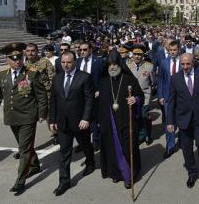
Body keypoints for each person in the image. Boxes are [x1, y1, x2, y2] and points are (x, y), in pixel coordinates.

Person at [0, 43, 47, 195]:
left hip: (28, 116)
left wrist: (42, 113)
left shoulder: (32, 73)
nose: (17, 61)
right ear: (8, 60)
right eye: (13, 58)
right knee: (24, 144)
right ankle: (35, 164)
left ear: (23, 57)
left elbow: (41, 95)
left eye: (19, 57)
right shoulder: (2, 75)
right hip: (12, 116)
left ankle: (20, 181)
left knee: (24, 149)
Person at [167, 53, 199, 188]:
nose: (185, 67)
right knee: (186, 148)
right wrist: (170, 122)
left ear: (193, 63)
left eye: (187, 64)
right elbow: (171, 101)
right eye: (182, 64)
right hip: (183, 119)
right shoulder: (175, 78)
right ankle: (192, 173)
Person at [48, 51, 95, 196]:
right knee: (64, 152)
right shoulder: (57, 78)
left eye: (68, 62)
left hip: (80, 122)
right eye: (63, 62)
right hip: (62, 123)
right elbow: (54, 101)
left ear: (75, 62)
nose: (65, 65)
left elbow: (89, 100)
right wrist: (52, 120)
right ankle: (64, 181)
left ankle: (90, 162)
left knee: (86, 145)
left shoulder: (84, 77)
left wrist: (86, 118)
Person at [98, 50, 144, 189]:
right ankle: (116, 174)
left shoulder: (129, 80)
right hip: (109, 122)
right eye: (110, 65)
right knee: (111, 148)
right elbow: (99, 103)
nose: (112, 67)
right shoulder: (103, 81)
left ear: (120, 65)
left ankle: (128, 176)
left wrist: (134, 99)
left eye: (115, 64)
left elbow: (140, 95)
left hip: (126, 120)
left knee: (127, 147)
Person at [157, 40, 181, 159]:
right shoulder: (163, 62)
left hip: (182, 97)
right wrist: (160, 95)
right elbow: (160, 79)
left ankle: (182, 140)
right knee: (169, 122)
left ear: (178, 50)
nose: (172, 52)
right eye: (170, 50)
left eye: (174, 50)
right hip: (167, 97)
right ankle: (170, 146)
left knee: (182, 120)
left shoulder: (184, 62)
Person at [128, 44, 155, 145]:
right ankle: (140, 134)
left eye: (139, 54)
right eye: (135, 54)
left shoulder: (149, 66)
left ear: (143, 54)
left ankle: (148, 135)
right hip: (133, 96)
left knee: (144, 115)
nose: (137, 56)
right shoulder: (128, 66)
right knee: (136, 116)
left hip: (145, 95)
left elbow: (153, 82)